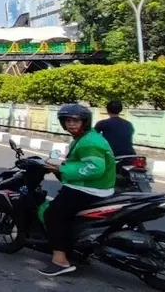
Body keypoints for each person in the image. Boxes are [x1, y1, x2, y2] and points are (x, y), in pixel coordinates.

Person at [39, 103, 116, 277]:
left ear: (85, 122)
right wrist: (63, 165)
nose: (71, 124)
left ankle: (60, 260)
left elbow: (95, 168)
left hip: (91, 189)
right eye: (67, 121)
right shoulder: (87, 137)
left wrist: (62, 169)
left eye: (76, 120)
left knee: (52, 214)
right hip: (97, 187)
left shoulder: (88, 142)